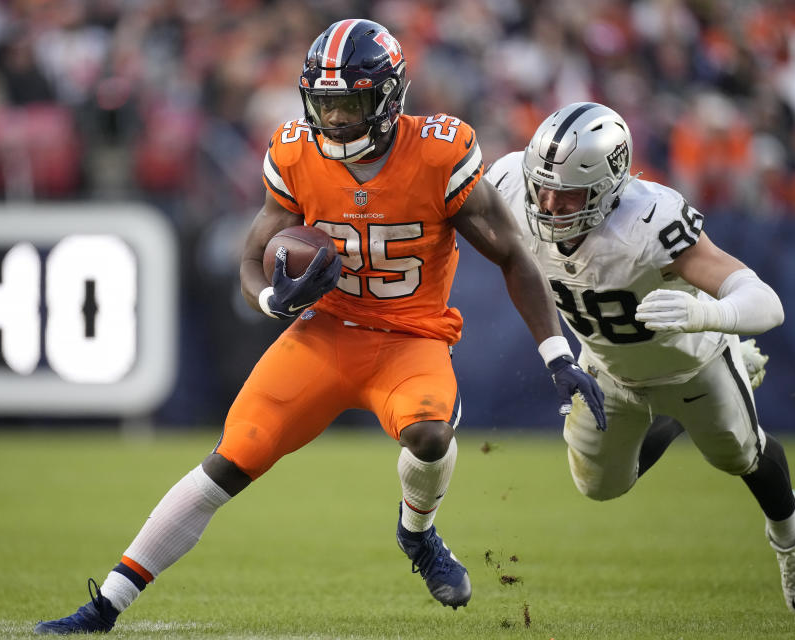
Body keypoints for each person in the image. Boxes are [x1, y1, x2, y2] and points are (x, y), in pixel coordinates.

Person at [33, 20, 605, 634]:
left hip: (411, 338)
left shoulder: (440, 153)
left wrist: (555, 353)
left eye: (350, 104)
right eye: (324, 104)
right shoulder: (296, 152)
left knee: (430, 436)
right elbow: (251, 262)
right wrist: (273, 301)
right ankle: (105, 606)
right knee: (231, 459)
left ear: (388, 99)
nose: (333, 121)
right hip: (325, 336)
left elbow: (514, 254)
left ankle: (418, 534)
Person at [484, 102, 795, 613]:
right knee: (599, 487)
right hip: (608, 367)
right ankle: (674, 418)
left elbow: (767, 302)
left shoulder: (649, 221)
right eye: (544, 185)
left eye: (569, 191)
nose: (551, 202)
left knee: (738, 454)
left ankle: (791, 531)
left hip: (692, 363)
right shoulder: (511, 183)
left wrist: (706, 316)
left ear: (607, 188)